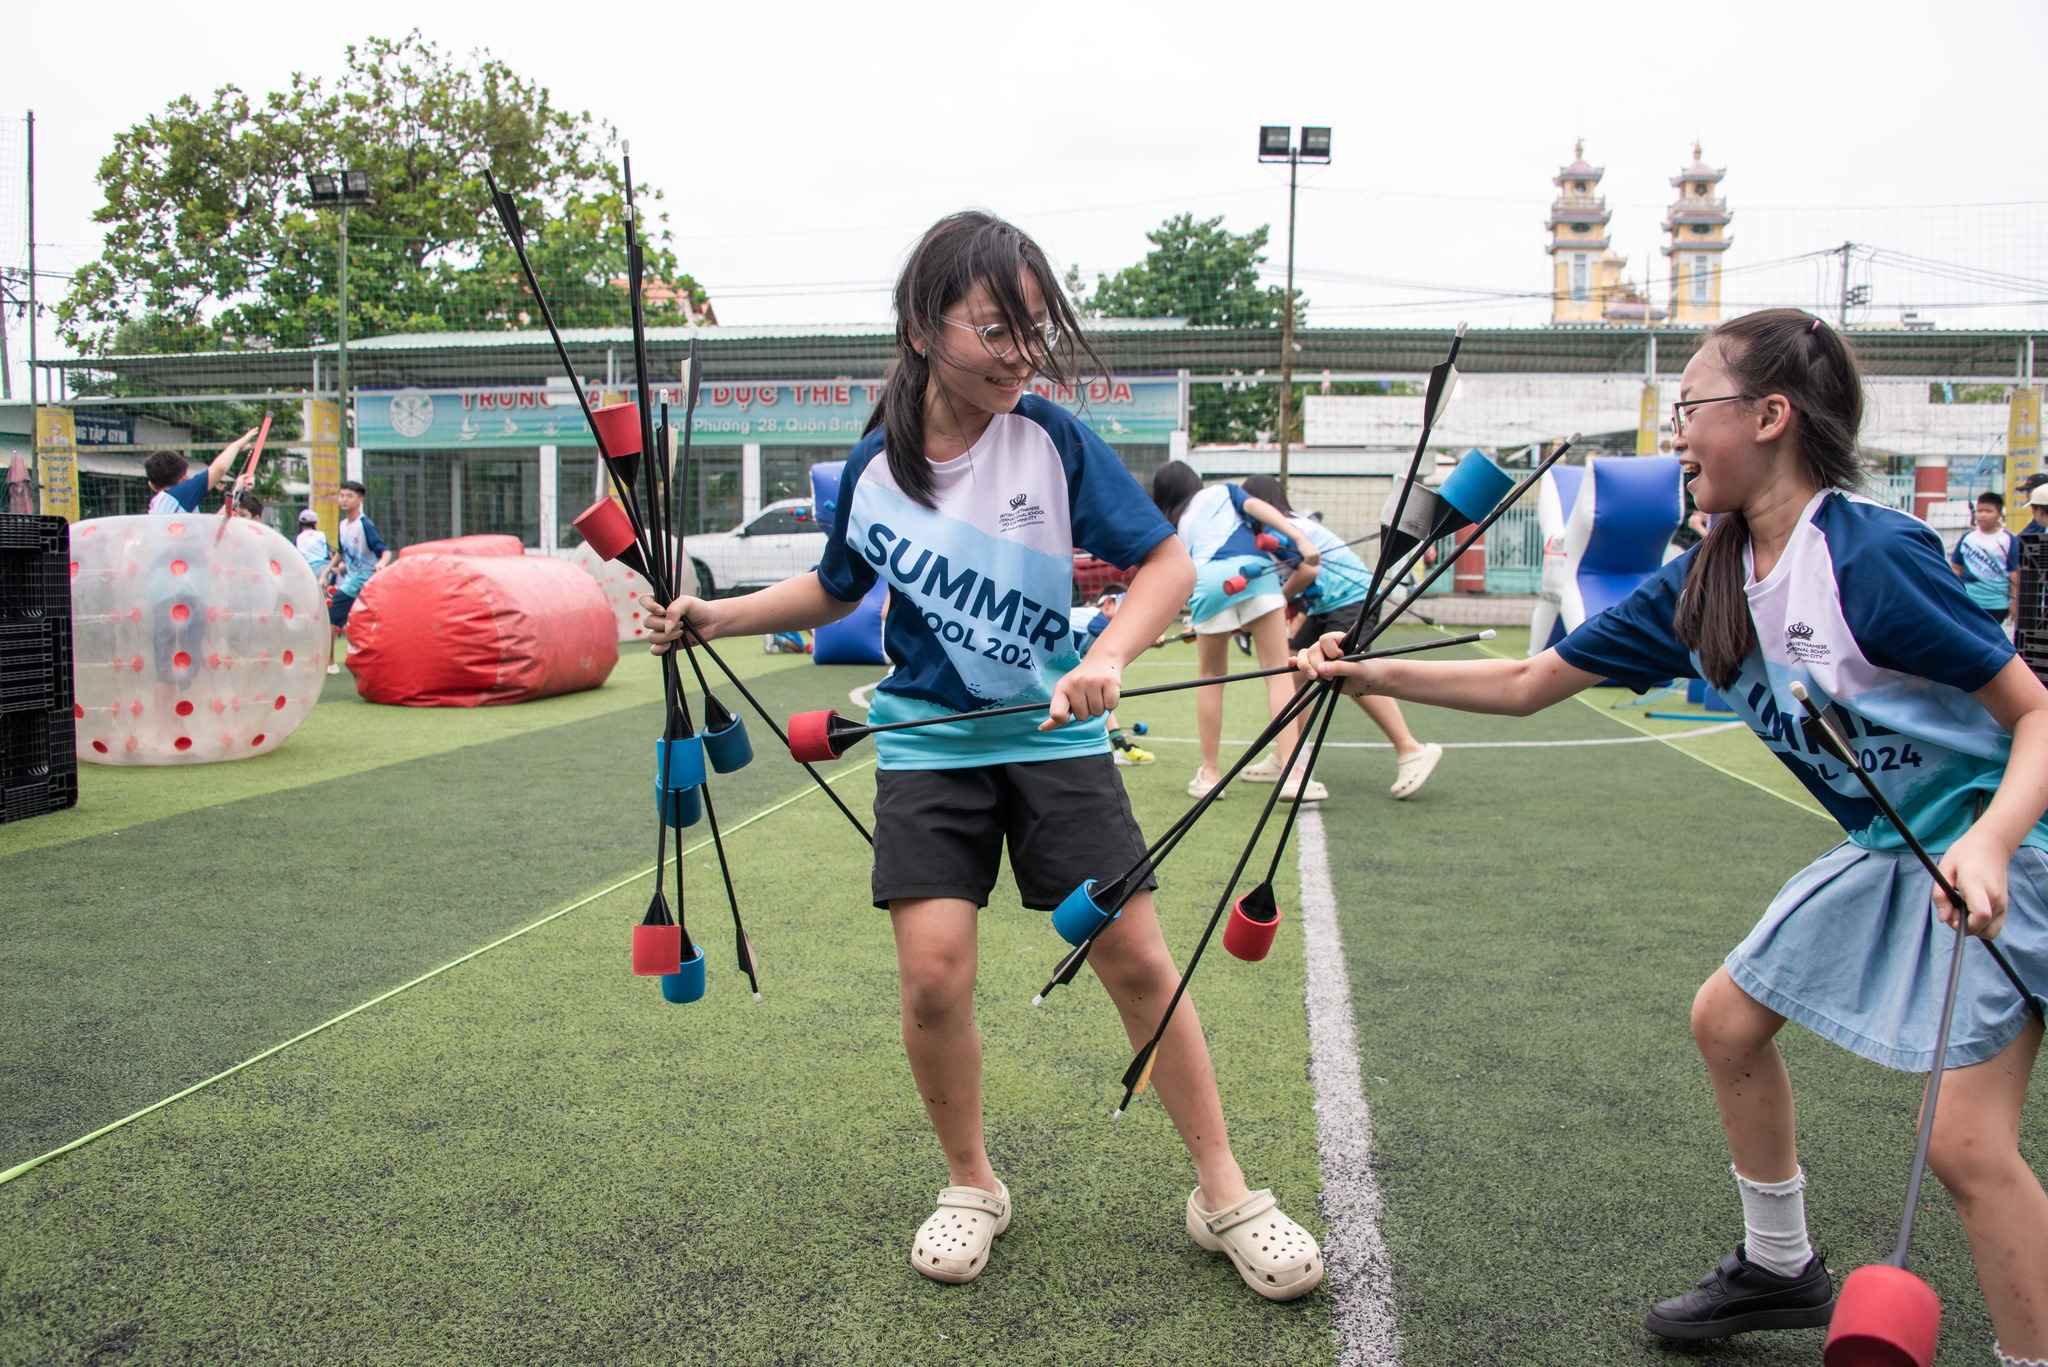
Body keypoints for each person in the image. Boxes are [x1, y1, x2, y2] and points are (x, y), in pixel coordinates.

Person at [1296, 309, 2048, 1361]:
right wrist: (1369, 670)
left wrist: (1994, 840)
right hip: (1896, 854)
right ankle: (1779, 1263)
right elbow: (1524, 682)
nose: (1676, 436)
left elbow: (2034, 713)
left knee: (1968, 1149)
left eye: (1690, 408)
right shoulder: (1703, 580)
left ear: (1769, 416)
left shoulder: (1867, 557)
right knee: (1727, 1022)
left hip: (2008, 845)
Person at [644, 210, 1323, 1302]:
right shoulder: (873, 468)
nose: (1021, 351)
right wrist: (710, 615)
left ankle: (1224, 1190)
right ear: (923, 325)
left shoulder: (1048, 436)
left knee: (1138, 959)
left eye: (1034, 328)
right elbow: (837, 587)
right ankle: (972, 1182)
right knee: (931, 978)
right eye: (996, 327)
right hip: (925, 745)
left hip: (1055, 734)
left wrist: (1105, 652)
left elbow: (1159, 567)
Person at [1239, 474, 1443, 799]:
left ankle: (1411, 749)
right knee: (1295, 668)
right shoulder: (1285, 527)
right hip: (1328, 605)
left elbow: (1309, 572)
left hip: (1353, 600)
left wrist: (1278, 601)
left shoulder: (1281, 529)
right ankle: (1285, 755)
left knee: (1352, 673)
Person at [1149, 460, 1326, 803]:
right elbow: (1257, 507)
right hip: (1258, 575)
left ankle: (1210, 775)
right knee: (1278, 674)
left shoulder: (1175, 527)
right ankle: (1291, 772)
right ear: (1194, 483)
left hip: (1208, 584)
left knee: (1211, 677)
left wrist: (1184, 619)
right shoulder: (1221, 491)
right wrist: (1301, 539)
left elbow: (1177, 575)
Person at [1079, 591, 1155, 765]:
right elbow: (1100, 631)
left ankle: (1120, 746)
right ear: (1107, 604)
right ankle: (1120, 747)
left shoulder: (1092, 621)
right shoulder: (1094, 618)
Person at [329, 480, 391, 674]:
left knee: (335, 615)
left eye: (350, 496)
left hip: (365, 579)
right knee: (339, 618)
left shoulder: (364, 525)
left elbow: (385, 551)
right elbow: (341, 552)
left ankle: (330, 661)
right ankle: (331, 661)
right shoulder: (342, 525)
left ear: (360, 499)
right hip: (351, 579)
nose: (344, 500)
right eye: (342, 496)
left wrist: (381, 564)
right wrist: (328, 571)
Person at [144, 430, 258, 515]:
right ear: (183, 478)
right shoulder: (177, 495)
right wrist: (237, 445)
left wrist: (237, 490)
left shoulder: (161, 505)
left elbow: (212, 526)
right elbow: (220, 469)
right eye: (186, 475)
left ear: (152, 485)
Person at [1952, 491, 2020, 625]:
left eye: (1989, 511)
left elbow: (2014, 574)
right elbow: (1956, 569)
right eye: (1979, 510)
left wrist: (2014, 601)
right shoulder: (1967, 538)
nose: (1983, 515)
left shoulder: (2008, 539)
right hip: (1969, 601)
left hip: (1997, 604)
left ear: (1999, 514)